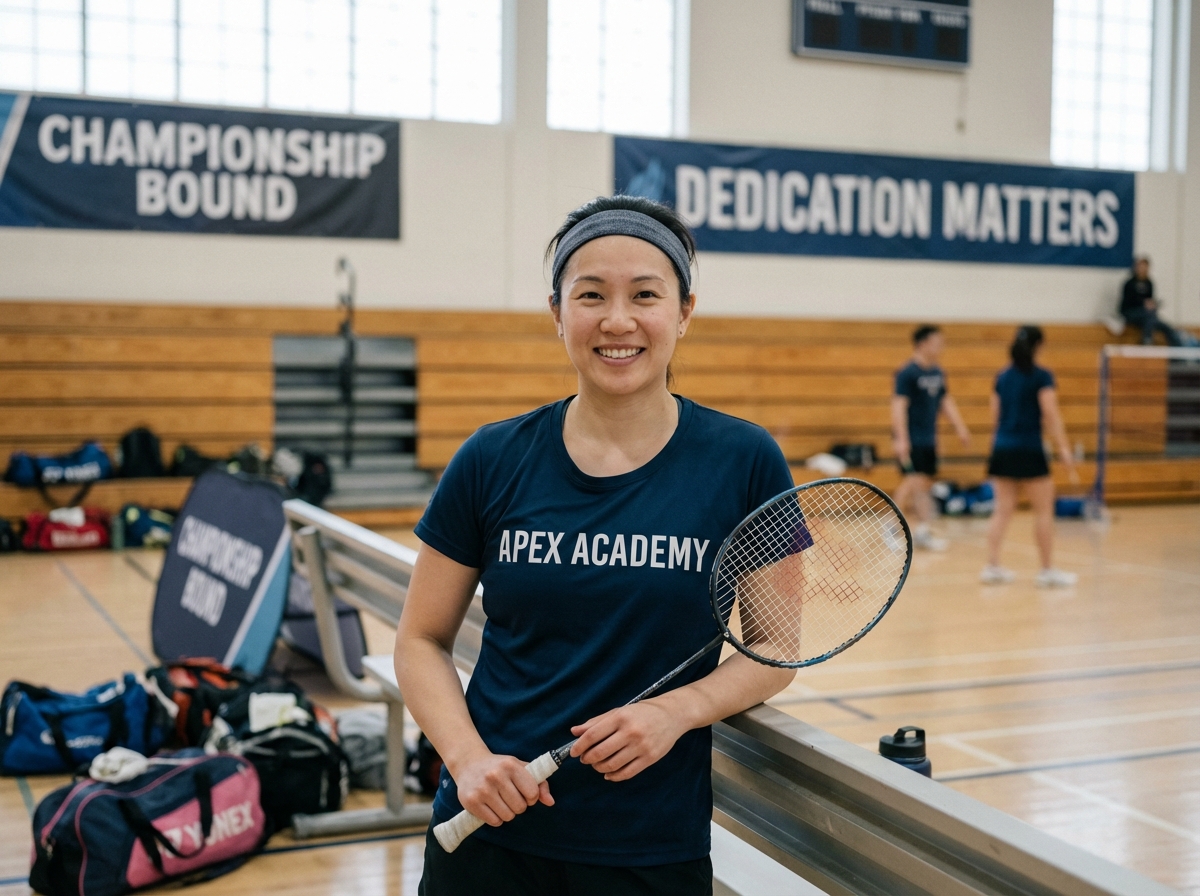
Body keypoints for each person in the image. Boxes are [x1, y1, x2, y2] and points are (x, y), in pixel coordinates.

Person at [394, 195, 796, 896]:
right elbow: (421, 639)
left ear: (684, 312)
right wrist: (467, 761)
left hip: (648, 849)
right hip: (486, 834)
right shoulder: (491, 457)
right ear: (557, 313)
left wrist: (676, 711)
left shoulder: (745, 461)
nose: (618, 320)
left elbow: (776, 651)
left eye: (645, 294)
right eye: (590, 295)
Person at [981, 326, 1078, 587]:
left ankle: (992, 566)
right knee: (1044, 511)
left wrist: (997, 445)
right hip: (1029, 449)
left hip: (1002, 447)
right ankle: (1046, 570)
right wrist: (1064, 448)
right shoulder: (1042, 376)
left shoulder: (1002, 377)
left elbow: (995, 417)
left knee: (1002, 510)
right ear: (1039, 346)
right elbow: (1051, 414)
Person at [891, 325, 971, 550]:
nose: (940, 347)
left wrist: (960, 428)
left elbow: (945, 401)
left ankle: (923, 530)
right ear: (922, 343)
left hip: (928, 439)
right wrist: (901, 438)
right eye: (936, 342)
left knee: (924, 485)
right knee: (912, 481)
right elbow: (898, 406)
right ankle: (891, 528)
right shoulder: (907, 373)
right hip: (911, 437)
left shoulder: (937, 373)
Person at [1120, 257, 1182, 346]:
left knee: (1167, 328)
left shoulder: (1149, 283)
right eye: (1140, 267)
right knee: (1150, 316)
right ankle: (1147, 340)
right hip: (1131, 313)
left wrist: (1152, 304)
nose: (1142, 269)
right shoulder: (1130, 284)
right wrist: (1143, 304)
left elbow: (1149, 300)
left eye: (1145, 267)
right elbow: (1128, 302)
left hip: (1146, 316)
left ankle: (1177, 353)